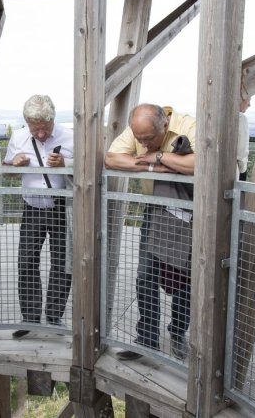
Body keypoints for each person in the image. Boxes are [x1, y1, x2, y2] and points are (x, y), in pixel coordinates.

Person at [105, 104, 196, 361]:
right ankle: (146, 339)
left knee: (183, 278)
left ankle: (178, 333)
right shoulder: (139, 130)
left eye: (149, 139)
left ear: (165, 127)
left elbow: (200, 163)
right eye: (139, 139)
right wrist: (156, 168)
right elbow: (111, 158)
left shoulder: (188, 125)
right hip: (155, 210)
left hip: (190, 212)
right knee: (146, 274)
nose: (143, 144)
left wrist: (158, 157)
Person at [4, 95, 73, 339]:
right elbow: (8, 172)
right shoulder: (18, 136)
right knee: (26, 262)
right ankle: (31, 318)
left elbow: (86, 168)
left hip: (62, 207)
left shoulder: (70, 136)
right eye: (36, 129)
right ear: (27, 123)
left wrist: (66, 163)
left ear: (53, 120)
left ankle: (54, 317)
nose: (41, 134)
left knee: (63, 263)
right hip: (32, 207)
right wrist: (15, 164)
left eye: (45, 128)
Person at [238, 98, 250, 181]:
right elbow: (242, 150)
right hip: (234, 169)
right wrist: (242, 170)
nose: (249, 104)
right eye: (248, 100)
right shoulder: (241, 118)